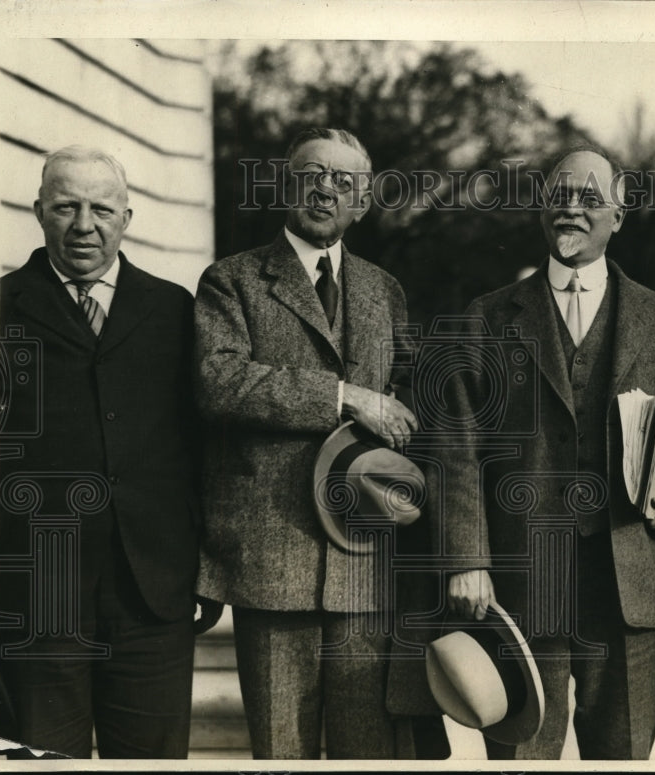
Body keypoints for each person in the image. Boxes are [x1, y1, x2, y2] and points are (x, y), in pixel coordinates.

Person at [437, 145, 655, 759]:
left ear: (620, 214)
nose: (571, 210)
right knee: (522, 754)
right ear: (540, 208)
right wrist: (465, 558)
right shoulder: (486, 318)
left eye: (589, 199)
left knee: (625, 755)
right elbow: (455, 449)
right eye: (559, 196)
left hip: (631, 581)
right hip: (524, 582)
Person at [194, 127, 441, 759]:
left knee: (371, 757)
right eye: (310, 174)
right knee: (282, 755)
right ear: (285, 185)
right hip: (272, 565)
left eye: (344, 181)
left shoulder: (385, 290)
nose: (325, 189)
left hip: (366, 564)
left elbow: (415, 408)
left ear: (362, 202)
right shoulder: (233, 281)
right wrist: (345, 397)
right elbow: (220, 383)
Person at [0, 145, 206, 758]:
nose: (84, 225)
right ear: (39, 213)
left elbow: (202, 448)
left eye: (101, 209)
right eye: (66, 207)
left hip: (154, 592)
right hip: (38, 590)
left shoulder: (174, 309)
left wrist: (205, 567)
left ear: (127, 218)